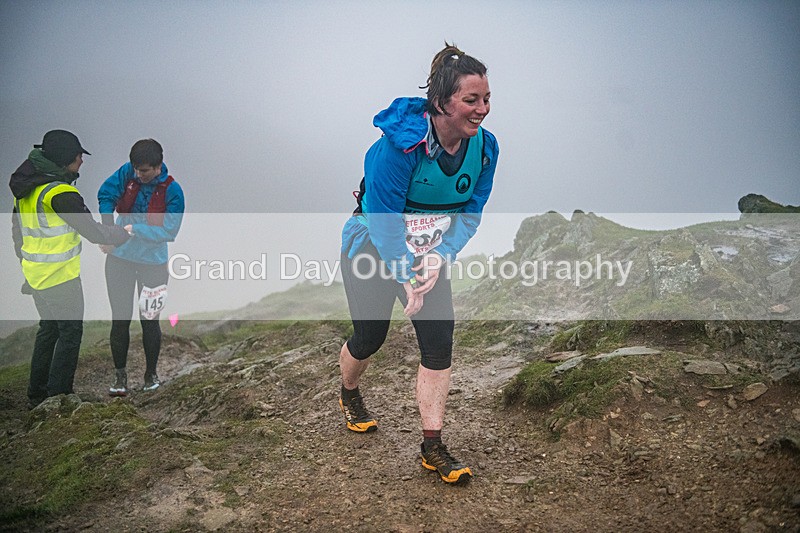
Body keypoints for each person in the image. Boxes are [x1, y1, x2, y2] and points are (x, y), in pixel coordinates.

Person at [338, 43, 499, 484]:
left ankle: (433, 447)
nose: (482, 109)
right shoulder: (397, 151)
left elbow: (471, 210)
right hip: (372, 246)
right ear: (443, 102)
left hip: (427, 254)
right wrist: (407, 273)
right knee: (370, 337)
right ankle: (349, 393)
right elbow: (386, 224)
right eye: (471, 100)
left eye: (486, 99)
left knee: (438, 342)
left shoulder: (485, 149)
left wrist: (438, 259)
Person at [10, 130, 131, 408]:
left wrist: (27, 271)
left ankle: (37, 394)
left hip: (37, 274)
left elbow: (19, 233)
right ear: (66, 160)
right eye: (79, 156)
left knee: (49, 330)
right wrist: (123, 233)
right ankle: (60, 396)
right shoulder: (61, 193)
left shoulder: (30, 189)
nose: (82, 161)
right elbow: (94, 232)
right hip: (60, 277)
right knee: (70, 332)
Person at [97, 139, 184, 396]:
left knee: (149, 321)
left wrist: (134, 230)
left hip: (153, 264)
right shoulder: (127, 172)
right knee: (120, 319)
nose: (138, 174)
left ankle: (151, 375)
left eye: (144, 170)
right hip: (119, 261)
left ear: (158, 167)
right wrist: (108, 231)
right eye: (136, 168)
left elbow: (170, 230)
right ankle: (119, 377)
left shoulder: (173, 191)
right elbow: (106, 194)